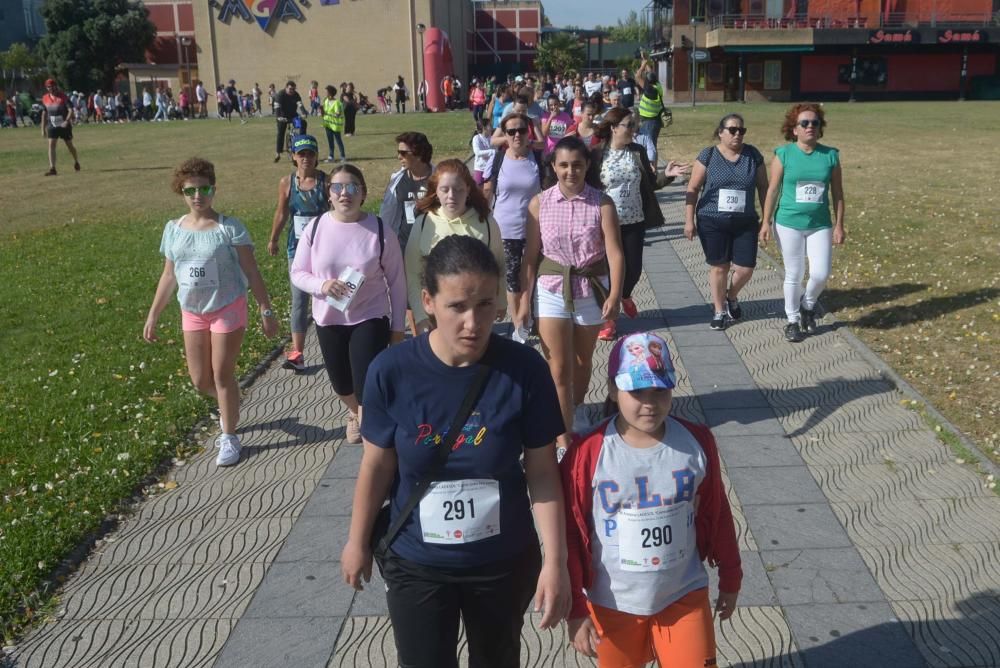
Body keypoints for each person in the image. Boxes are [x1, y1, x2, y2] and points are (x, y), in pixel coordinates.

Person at [340, 234, 571, 668]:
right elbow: (376, 465)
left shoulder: (525, 370)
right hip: (418, 561)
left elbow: (542, 473)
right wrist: (356, 541)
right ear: (427, 301)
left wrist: (556, 562)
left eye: (485, 304)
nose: (473, 322)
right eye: (457, 306)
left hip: (502, 560)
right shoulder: (392, 371)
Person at [562, 331, 742, 668]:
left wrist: (731, 575)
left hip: (683, 595)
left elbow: (718, 511)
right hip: (612, 602)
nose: (649, 402)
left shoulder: (696, 441)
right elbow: (571, 530)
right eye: (636, 391)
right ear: (614, 390)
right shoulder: (587, 453)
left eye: (660, 390)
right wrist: (575, 606)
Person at [143, 158, 279, 466]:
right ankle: (230, 401)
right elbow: (169, 276)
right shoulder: (174, 230)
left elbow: (252, 271)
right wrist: (153, 314)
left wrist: (265, 309)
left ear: (213, 189)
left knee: (221, 373)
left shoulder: (229, 228)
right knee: (200, 379)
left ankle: (229, 436)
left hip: (227, 307)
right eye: (190, 190)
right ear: (181, 192)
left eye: (204, 189)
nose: (197, 196)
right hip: (192, 310)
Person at [291, 164, 407, 444]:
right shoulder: (316, 229)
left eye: (353, 187)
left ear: (363, 193)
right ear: (328, 194)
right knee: (341, 383)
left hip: (370, 316)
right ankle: (355, 413)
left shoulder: (379, 230)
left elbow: (397, 282)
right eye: (338, 187)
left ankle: (375, 439)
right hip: (329, 318)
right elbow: (297, 273)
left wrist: (398, 328)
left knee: (364, 383)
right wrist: (322, 285)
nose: (345, 193)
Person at [524, 136, 625, 454]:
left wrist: (616, 294)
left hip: (589, 290)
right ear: (553, 166)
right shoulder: (539, 203)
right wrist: (523, 301)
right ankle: (562, 433)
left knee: (582, 361)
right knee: (558, 367)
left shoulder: (602, 203)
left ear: (587, 166)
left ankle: (577, 407)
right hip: (552, 289)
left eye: (577, 165)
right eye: (564, 165)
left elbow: (615, 253)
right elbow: (530, 257)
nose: (571, 171)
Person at [592, 108, 687, 341]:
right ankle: (609, 320)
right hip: (605, 224)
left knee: (632, 270)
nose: (634, 130)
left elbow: (650, 183)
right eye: (629, 125)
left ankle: (624, 295)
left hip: (635, 220)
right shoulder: (596, 155)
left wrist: (668, 175)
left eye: (634, 125)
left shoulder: (637, 152)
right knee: (606, 272)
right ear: (614, 128)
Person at [760, 103, 845, 343]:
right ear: (794, 129)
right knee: (794, 274)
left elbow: (838, 193)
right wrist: (765, 222)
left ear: (820, 128)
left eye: (815, 123)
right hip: (788, 223)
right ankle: (793, 320)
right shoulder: (783, 154)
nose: (810, 127)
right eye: (804, 123)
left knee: (821, 273)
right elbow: (773, 190)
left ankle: (808, 305)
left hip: (820, 224)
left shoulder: (830, 155)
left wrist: (839, 225)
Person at [684, 113, 768, 331]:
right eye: (732, 130)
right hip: (712, 220)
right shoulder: (709, 155)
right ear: (720, 133)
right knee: (720, 267)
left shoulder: (753, 155)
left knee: (746, 268)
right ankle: (719, 310)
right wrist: (688, 220)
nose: (737, 134)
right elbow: (693, 188)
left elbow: (763, 188)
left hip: (745, 221)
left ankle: (732, 295)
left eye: (741, 130)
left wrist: (768, 219)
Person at [405, 159, 506, 334]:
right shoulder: (423, 223)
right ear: (436, 191)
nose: (451, 196)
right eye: (445, 190)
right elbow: (412, 273)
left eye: (458, 190)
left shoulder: (487, 223)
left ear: (468, 190)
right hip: (434, 315)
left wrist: (501, 301)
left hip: (475, 315)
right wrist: (420, 316)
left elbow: (500, 267)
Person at [267, 135, 329, 371]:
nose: (306, 159)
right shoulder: (287, 183)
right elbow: (282, 213)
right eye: (301, 154)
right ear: (293, 157)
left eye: (310, 154)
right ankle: (298, 353)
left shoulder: (326, 181)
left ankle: (336, 345)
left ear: (317, 156)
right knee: (299, 300)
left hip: (324, 250)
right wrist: (273, 238)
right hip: (297, 250)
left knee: (327, 298)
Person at [482, 113, 544, 343]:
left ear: (528, 132)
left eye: (521, 130)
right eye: (511, 131)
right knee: (512, 279)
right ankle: (519, 324)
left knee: (531, 276)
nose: (517, 135)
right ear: (505, 135)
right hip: (504, 229)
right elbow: (487, 191)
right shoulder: (497, 159)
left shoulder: (538, 158)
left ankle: (529, 317)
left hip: (534, 228)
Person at [380, 131, 434, 254]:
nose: (399, 157)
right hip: (404, 246)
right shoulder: (396, 179)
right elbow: (388, 214)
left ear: (419, 154)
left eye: (403, 153)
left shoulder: (438, 179)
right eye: (398, 152)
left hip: (432, 244)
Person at [40, 79, 80, 176]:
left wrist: (66, 121)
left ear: (56, 86)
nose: (51, 88)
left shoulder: (63, 97)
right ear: (47, 88)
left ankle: (76, 161)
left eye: (53, 86)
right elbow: (44, 113)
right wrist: (43, 128)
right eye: (49, 87)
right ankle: (52, 168)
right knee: (51, 145)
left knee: (69, 145)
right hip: (52, 125)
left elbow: (71, 110)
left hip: (64, 126)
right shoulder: (45, 98)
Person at [635, 55, 666, 147]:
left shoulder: (650, 90)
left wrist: (642, 66)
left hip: (649, 121)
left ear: (648, 81)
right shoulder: (658, 85)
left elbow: (637, 76)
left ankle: (651, 161)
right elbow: (651, 73)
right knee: (651, 144)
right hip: (655, 120)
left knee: (650, 146)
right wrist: (645, 61)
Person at [273, 81, 306, 163]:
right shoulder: (280, 94)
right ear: (286, 87)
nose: (292, 91)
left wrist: (304, 112)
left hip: (293, 116)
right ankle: (278, 153)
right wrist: (278, 117)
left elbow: (300, 104)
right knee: (281, 132)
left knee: (303, 123)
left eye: (294, 89)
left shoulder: (296, 94)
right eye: (290, 89)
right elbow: (277, 107)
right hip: (282, 116)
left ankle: (301, 143)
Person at [321, 85, 347, 163]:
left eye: (326, 91)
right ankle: (331, 156)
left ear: (330, 93)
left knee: (338, 140)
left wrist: (336, 113)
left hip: (335, 125)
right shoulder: (325, 101)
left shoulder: (337, 103)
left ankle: (343, 156)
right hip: (327, 124)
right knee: (330, 141)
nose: (325, 92)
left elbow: (337, 113)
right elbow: (323, 113)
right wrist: (321, 110)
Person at [471, 121, 493, 187]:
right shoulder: (476, 138)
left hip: (489, 169)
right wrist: (491, 151)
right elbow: (477, 152)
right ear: (484, 128)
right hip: (480, 169)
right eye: (490, 126)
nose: (491, 128)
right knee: (478, 191)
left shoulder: (491, 138)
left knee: (488, 191)